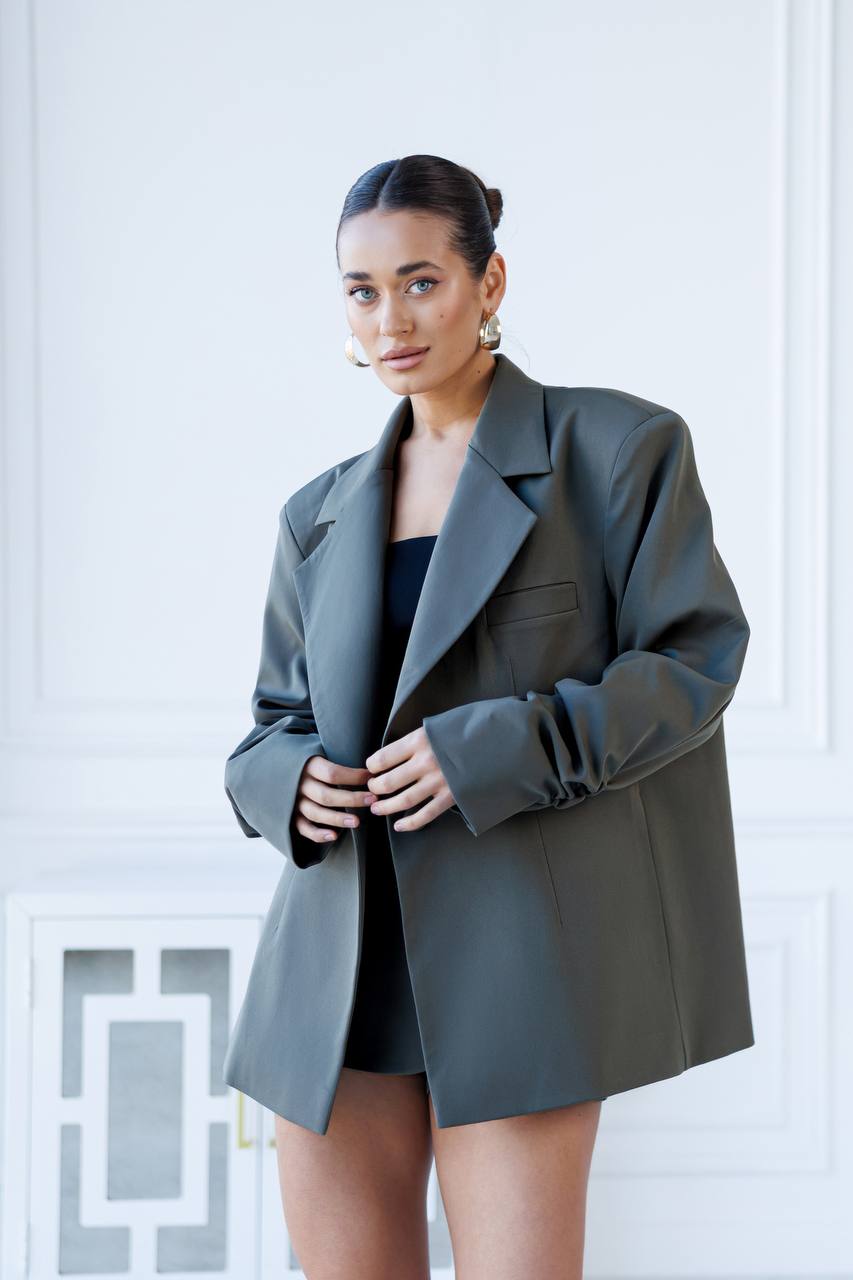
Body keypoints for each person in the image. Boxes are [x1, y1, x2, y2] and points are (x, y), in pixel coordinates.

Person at [222, 154, 753, 1279]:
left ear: (490, 281)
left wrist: (497, 748)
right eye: (362, 291)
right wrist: (291, 782)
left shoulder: (614, 450)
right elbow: (269, 723)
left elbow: (695, 660)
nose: (391, 319)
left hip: (519, 960)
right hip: (334, 977)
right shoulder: (315, 513)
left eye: (421, 281)